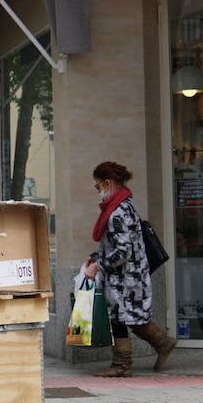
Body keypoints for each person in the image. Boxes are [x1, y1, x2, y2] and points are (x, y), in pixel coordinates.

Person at [82, 161, 178, 377]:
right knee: (123, 319)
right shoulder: (122, 206)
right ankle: (145, 351)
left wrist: (98, 265)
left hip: (127, 279)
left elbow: (123, 251)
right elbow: (117, 245)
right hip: (127, 278)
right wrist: (96, 256)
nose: (98, 191)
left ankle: (127, 362)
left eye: (98, 186)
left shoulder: (118, 211)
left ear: (107, 183)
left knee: (129, 319)